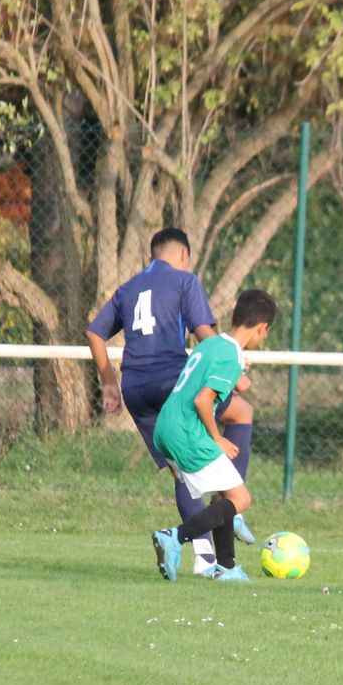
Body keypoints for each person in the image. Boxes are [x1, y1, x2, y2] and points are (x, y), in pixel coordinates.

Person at [86, 228, 255, 574]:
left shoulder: (128, 288)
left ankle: (205, 557)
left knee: (182, 470)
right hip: (171, 382)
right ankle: (230, 504)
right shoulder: (184, 281)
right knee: (241, 412)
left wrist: (108, 382)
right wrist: (234, 367)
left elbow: (95, 331)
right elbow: (204, 332)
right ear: (183, 255)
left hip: (135, 388)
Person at [151, 291, 278, 582]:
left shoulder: (210, 344)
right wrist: (216, 437)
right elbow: (203, 400)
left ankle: (226, 567)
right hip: (187, 431)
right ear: (262, 328)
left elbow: (208, 382)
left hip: (166, 425)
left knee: (225, 493)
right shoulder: (231, 355)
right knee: (240, 498)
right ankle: (174, 537)